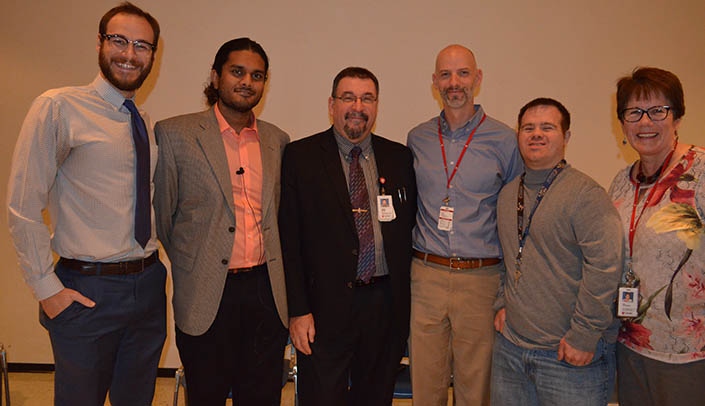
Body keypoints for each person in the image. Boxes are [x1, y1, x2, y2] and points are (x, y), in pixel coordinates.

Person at [6, 3, 164, 405]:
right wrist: (47, 290)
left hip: (146, 287)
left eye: (142, 46)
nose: (130, 54)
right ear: (99, 43)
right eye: (119, 40)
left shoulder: (142, 120)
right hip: (88, 290)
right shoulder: (59, 107)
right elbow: (23, 205)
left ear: (153, 56)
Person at [153, 38, 290, 405]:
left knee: (262, 396)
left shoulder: (278, 141)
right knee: (207, 396)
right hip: (207, 294)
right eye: (237, 72)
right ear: (216, 77)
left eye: (257, 75)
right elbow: (164, 218)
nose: (247, 81)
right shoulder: (175, 135)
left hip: (266, 293)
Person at [280, 67, 417, 405]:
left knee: (376, 396)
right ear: (331, 104)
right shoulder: (301, 157)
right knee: (322, 397)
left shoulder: (399, 158)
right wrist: (298, 311)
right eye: (348, 97)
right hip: (323, 308)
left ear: (376, 105)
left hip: (384, 306)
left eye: (367, 98)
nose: (358, 105)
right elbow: (289, 241)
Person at [406, 44, 523, 405]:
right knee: (426, 385)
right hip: (426, 275)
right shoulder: (418, 138)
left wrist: (509, 290)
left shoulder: (505, 140)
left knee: (477, 388)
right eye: (445, 74)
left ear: (478, 78)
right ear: (434, 82)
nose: (454, 82)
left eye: (462, 73)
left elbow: (517, 219)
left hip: (481, 279)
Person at [491, 97, 623, 405]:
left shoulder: (586, 195)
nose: (536, 134)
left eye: (547, 127)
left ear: (566, 137)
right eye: (528, 127)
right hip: (511, 350)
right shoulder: (508, 194)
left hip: (568, 356)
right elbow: (505, 257)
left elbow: (605, 269)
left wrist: (584, 336)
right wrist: (501, 303)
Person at [609, 67, 705, 406]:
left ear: (677, 116)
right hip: (631, 346)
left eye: (657, 110)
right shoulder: (621, 183)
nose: (645, 122)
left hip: (690, 354)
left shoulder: (702, 173)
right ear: (622, 122)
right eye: (634, 112)